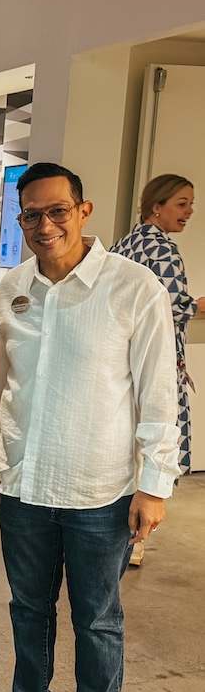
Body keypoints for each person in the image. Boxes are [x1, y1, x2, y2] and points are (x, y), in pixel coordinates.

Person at [0, 162, 179, 692]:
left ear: (83, 210)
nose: (45, 225)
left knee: (96, 617)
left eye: (58, 211)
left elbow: (158, 394)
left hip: (100, 489)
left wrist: (155, 484)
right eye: (32, 215)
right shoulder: (12, 289)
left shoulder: (133, 287)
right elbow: (1, 384)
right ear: (20, 220)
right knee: (28, 607)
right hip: (25, 484)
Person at [110, 175, 201, 564]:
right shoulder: (162, 248)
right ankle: (136, 537)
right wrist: (198, 305)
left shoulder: (125, 243)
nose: (189, 211)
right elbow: (171, 306)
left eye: (191, 204)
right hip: (154, 358)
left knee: (127, 442)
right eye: (181, 203)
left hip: (121, 360)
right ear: (157, 206)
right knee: (156, 439)